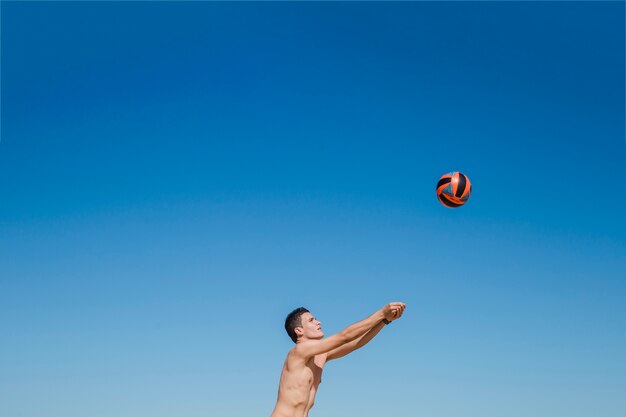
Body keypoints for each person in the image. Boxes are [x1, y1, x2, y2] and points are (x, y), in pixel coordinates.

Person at [269, 302, 406, 417]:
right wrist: (381, 313)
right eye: (311, 320)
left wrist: (384, 321)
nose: (318, 322)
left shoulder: (320, 356)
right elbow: (344, 336)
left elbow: (355, 343)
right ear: (299, 331)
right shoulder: (299, 351)